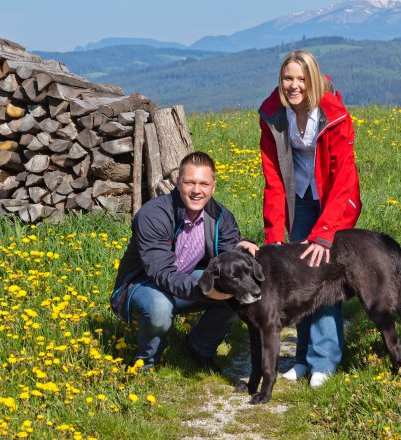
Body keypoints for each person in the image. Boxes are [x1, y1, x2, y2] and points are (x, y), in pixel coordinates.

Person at [258, 50, 362, 388]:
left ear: (313, 80)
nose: (293, 85)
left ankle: (324, 361)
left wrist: (326, 232)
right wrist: (274, 234)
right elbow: (273, 177)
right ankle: (302, 359)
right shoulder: (273, 114)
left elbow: (344, 178)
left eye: (301, 79)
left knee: (324, 277)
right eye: (288, 78)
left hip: (333, 200)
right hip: (299, 198)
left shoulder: (334, 116)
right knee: (296, 275)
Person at [110, 152, 258, 372]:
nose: (196, 190)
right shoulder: (153, 214)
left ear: (213, 186)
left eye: (203, 184)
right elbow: (161, 272)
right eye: (190, 182)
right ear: (178, 182)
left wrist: (243, 247)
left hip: (186, 280)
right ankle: (145, 364)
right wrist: (205, 290)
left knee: (238, 289)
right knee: (160, 307)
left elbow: (228, 257)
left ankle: (198, 347)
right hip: (143, 284)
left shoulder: (221, 216)